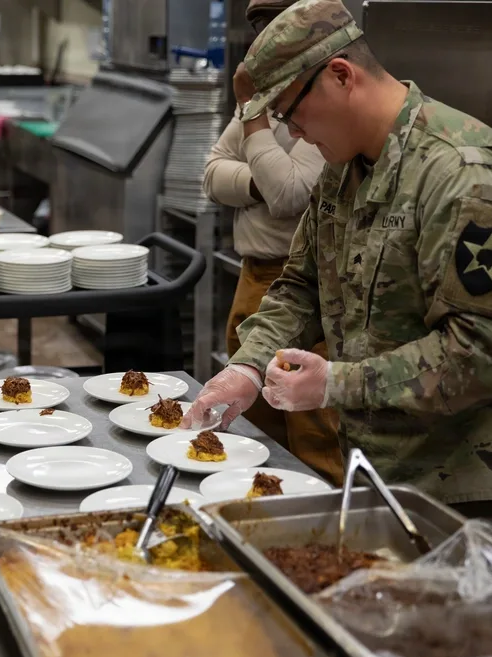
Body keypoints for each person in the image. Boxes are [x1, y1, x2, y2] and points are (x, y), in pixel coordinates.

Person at [183, 0, 492, 554]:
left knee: (449, 637)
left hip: (467, 485)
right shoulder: (345, 169)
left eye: (291, 113)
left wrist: (334, 384)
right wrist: (246, 365)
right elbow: (300, 285)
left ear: (340, 76)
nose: (295, 134)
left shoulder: (464, 175)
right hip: (380, 463)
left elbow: (477, 354)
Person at [204, 0, 338, 485]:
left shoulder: (320, 96)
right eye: (260, 30)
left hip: (310, 291)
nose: (265, 44)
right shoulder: (270, 95)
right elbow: (212, 173)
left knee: (313, 435)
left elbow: (291, 194)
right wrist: (260, 179)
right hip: (255, 276)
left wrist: (256, 123)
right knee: (249, 423)